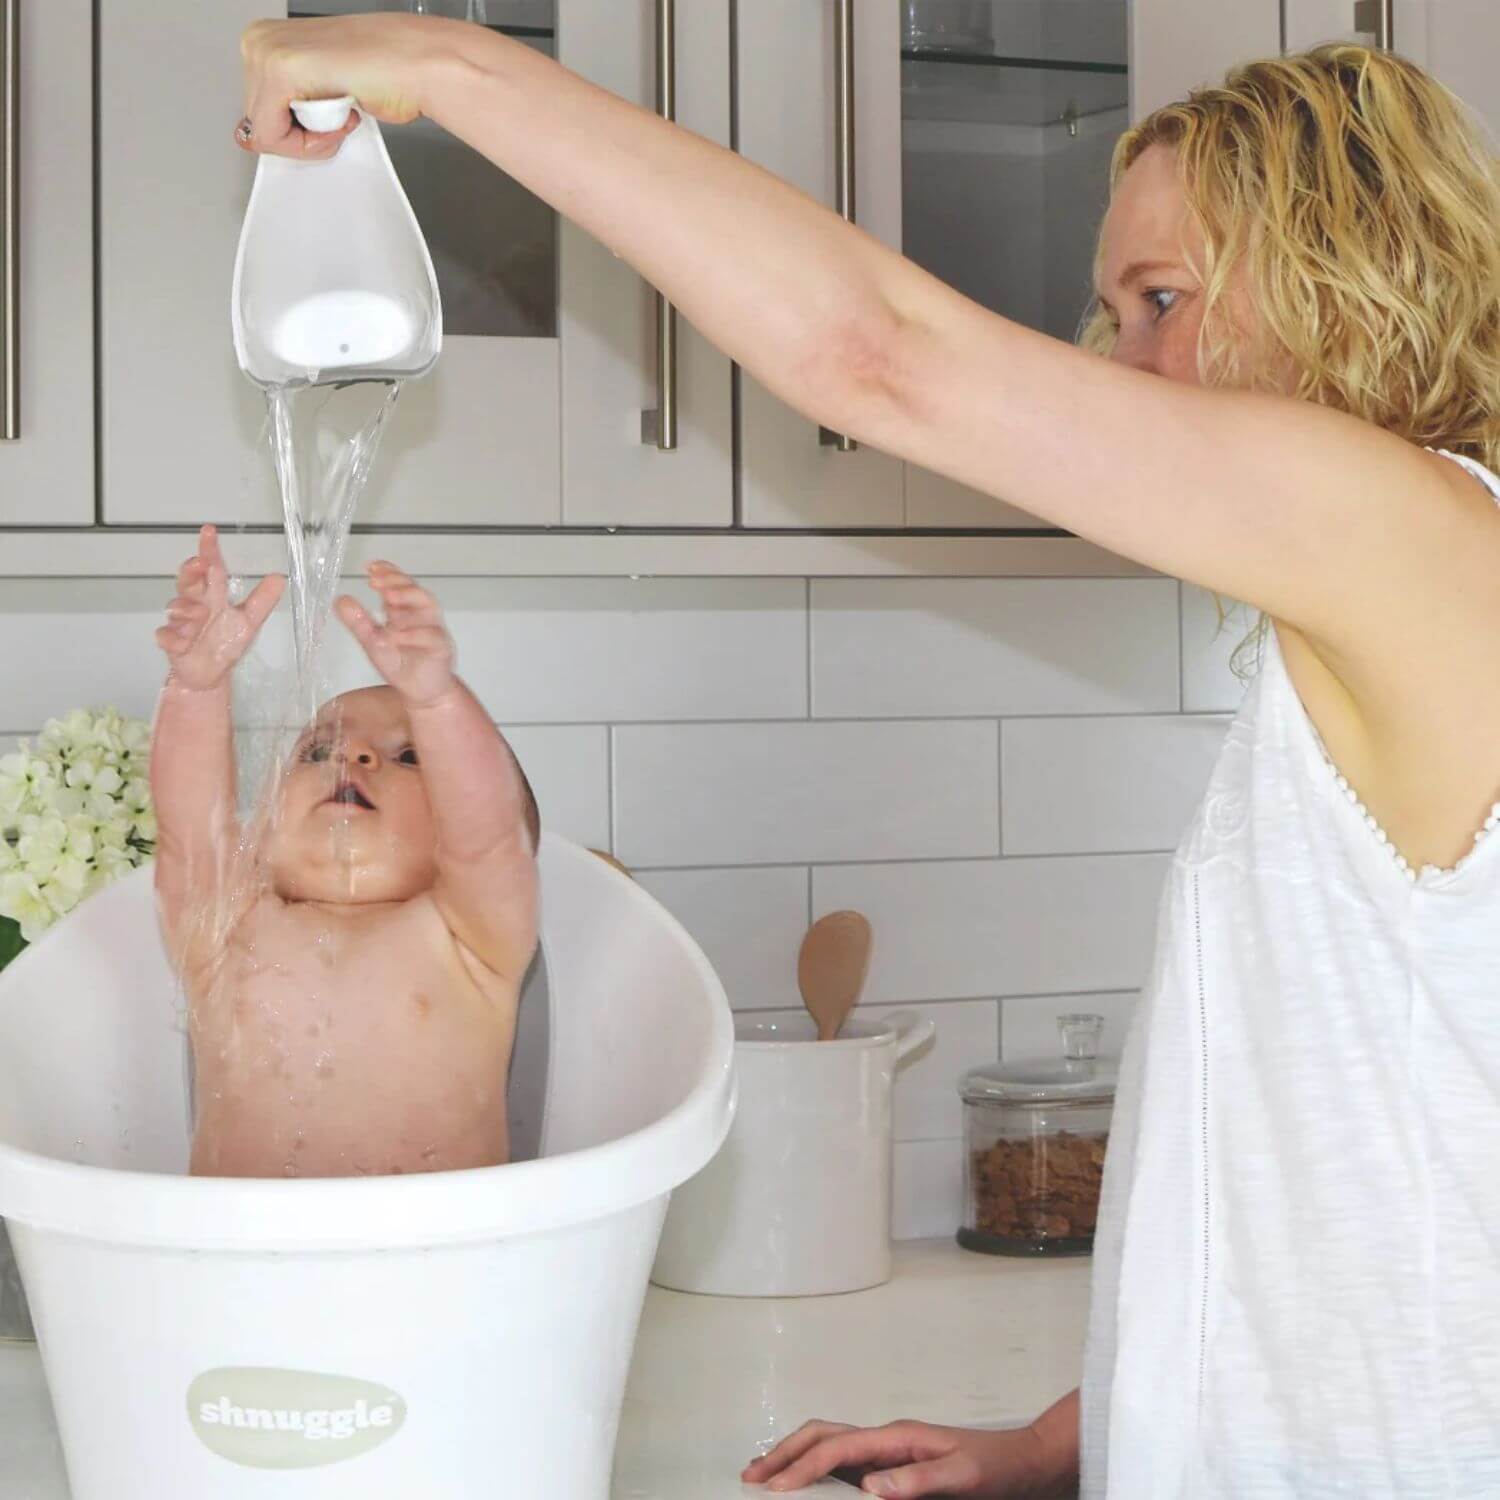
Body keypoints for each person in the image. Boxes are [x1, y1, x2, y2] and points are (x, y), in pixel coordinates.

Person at [235, 23, 1500, 1496]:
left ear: (1348, 277)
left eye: (1164, 300)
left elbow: (872, 354)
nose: (1124, 366)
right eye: (1113, 315)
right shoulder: (1377, 609)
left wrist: (438, 66)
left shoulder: (1416, 539)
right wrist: (1066, 1442)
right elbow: (1327, 1179)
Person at [152, 525, 540, 1179]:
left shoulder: (472, 942)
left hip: (439, 1265)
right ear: (262, 827)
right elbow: (190, 831)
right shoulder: (225, 932)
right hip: (237, 1267)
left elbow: (489, 838)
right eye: (317, 750)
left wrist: (440, 701)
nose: (354, 757)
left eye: (409, 754)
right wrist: (196, 689)